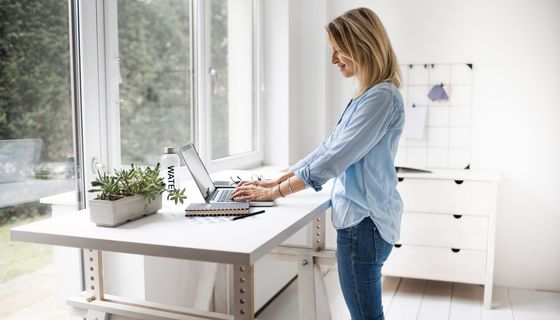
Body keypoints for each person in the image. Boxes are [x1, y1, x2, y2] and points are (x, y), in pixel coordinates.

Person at [231, 7, 404, 320]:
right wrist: (273, 182)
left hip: (364, 223)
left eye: (338, 50)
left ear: (361, 46)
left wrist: (275, 193)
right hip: (362, 222)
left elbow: (335, 159)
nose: (333, 59)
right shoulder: (366, 97)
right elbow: (328, 148)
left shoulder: (381, 98)